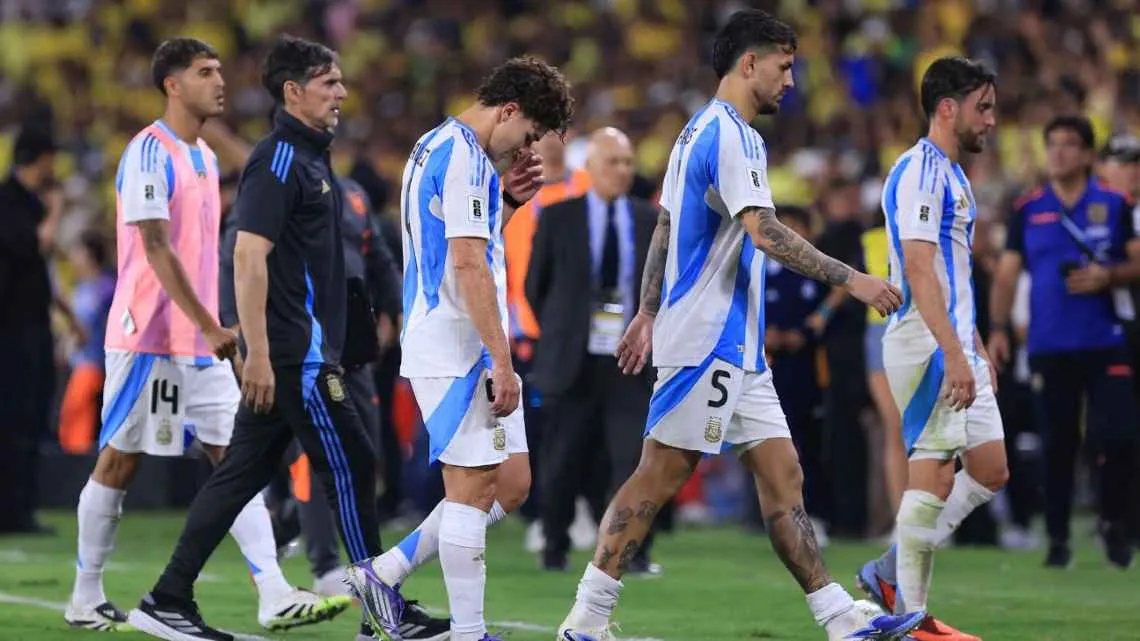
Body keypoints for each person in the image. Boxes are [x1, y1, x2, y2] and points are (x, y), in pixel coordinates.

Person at [557, 10, 921, 641]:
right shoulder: (731, 135)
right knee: (660, 473)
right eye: (784, 67)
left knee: (784, 477)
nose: (791, 81)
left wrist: (647, 310)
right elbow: (766, 232)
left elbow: (666, 227)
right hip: (707, 340)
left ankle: (840, 619)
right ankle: (585, 620)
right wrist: (852, 279)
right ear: (750, 63)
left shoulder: (694, 132)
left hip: (737, 346)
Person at [65, 38, 347, 634]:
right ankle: (85, 596)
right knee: (119, 461)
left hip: (201, 341)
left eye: (219, 70)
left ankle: (273, 591)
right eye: (204, 72)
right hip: (149, 336)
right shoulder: (148, 151)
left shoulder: (203, 157)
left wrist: (217, 325)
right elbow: (155, 247)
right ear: (172, 84)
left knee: (238, 459)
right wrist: (210, 322)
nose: (220, 81)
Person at [123, 36, 382, 641]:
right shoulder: (280, 160)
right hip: (296, 354)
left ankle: (167, 597)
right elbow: (247, 256)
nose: (342, 93)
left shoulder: (309, 157)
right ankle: (383, 609)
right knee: (352, 465)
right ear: (294, 91)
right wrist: (258, 354)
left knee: (238, 475)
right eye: (329, 82)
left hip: (302, 349)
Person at [346, 56, 573, 641]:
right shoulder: (465, 157)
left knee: (512, 482)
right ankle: (470, 633)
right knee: (470, 491)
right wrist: (502, 359)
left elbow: (465, 243)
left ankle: (383, 575)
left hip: (462, 337)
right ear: (509, 110)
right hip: (455, 345)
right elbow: (468, 264)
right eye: (529, 135)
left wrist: (508, 204)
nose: (527, 149)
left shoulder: (439, 146)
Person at [856, 57, 1006, 641]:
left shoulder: (953, 174)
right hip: (925, 343)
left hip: (954, 340)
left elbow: (953, 272)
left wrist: (973, 344)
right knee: (935, 474)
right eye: (982, 108)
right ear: (948, 108)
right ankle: (910, 618)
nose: (990, 120)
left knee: (990, 469)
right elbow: (919, 268)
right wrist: (953, 352)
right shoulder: (920, 171)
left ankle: (891, 570)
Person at [989, 115, 1139, 570]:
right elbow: (1007, 274)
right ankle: (1057, 539)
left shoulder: (1114, 203)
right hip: (1049, 343)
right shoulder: (1028, 208)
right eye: (1052, 143)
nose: (1058, 152)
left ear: (1088, 154)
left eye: (1069, 144)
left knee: (1118, 436)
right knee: (1056, 444)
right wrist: (998, 328)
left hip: (1105, 340)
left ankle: (1113, 522)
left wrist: (1109, 275)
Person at [525, 127, 661, 572]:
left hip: (629, 358)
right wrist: (563, 331)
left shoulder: (649, 219)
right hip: (572, 358)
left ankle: (630, 552)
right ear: (590, 168)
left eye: (627, 162)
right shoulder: (558, 216)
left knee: (633, 460)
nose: (622, 170)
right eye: (612, 162)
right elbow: (535, 286)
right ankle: (555, 546)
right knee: (562, 459)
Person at [0, 125, 69, 536]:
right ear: (38, 159)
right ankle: (12, 511)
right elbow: (35, 246)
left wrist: (70, 318)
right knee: (15, 420)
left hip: (33, 327)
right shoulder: (8, 202)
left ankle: (20, 508)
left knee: (31, 419)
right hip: (12, 331)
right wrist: (55, 211)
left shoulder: (25, 202)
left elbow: (40, 272)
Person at [758, 206, 828, 538]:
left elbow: (825, 319)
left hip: (807, 370)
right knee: (767, 445)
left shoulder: (817, 274)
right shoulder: (757, 271)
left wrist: (802, 335)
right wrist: (765, 336)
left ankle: (814, 514)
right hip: (766, 370)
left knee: (807, 445)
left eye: (796, 228)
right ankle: (772, 515)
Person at [58, 229, 116, 454]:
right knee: (69, 421)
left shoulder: (107, 288)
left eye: (77, 252)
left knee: (80, 421)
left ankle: (78, 462)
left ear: (90, 255)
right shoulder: (80, 289)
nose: (73, 259)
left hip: (94, 366)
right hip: (76, 366)